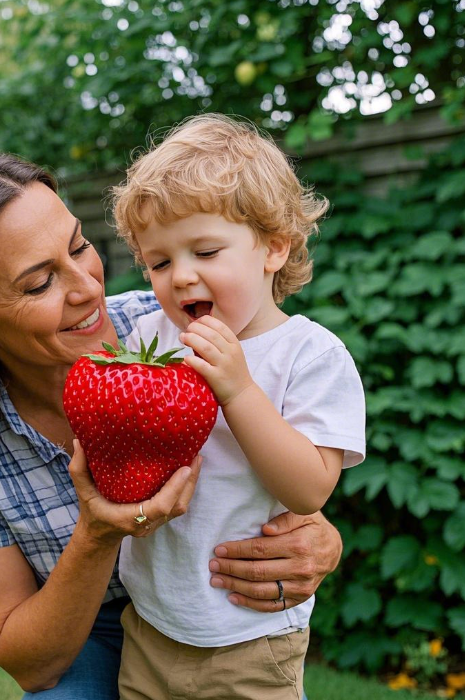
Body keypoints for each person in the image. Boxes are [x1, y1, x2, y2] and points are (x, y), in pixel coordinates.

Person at [0, 150, 345, 699]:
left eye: (79, 246)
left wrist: (317, 534)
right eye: (40, 284)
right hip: (84, 626)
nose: (88, 289)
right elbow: (27, 660)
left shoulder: (169, 331)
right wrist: (99, 531)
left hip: (213, 611)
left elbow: (287, 454)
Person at [112, 114, 366, 700]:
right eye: (158, 262)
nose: (181, 277)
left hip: (251, 636)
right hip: (151, 624)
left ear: (274, 247)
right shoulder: (147, 339)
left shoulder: (309, 354)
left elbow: (309, 490)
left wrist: (239, 389)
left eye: (205, 250)